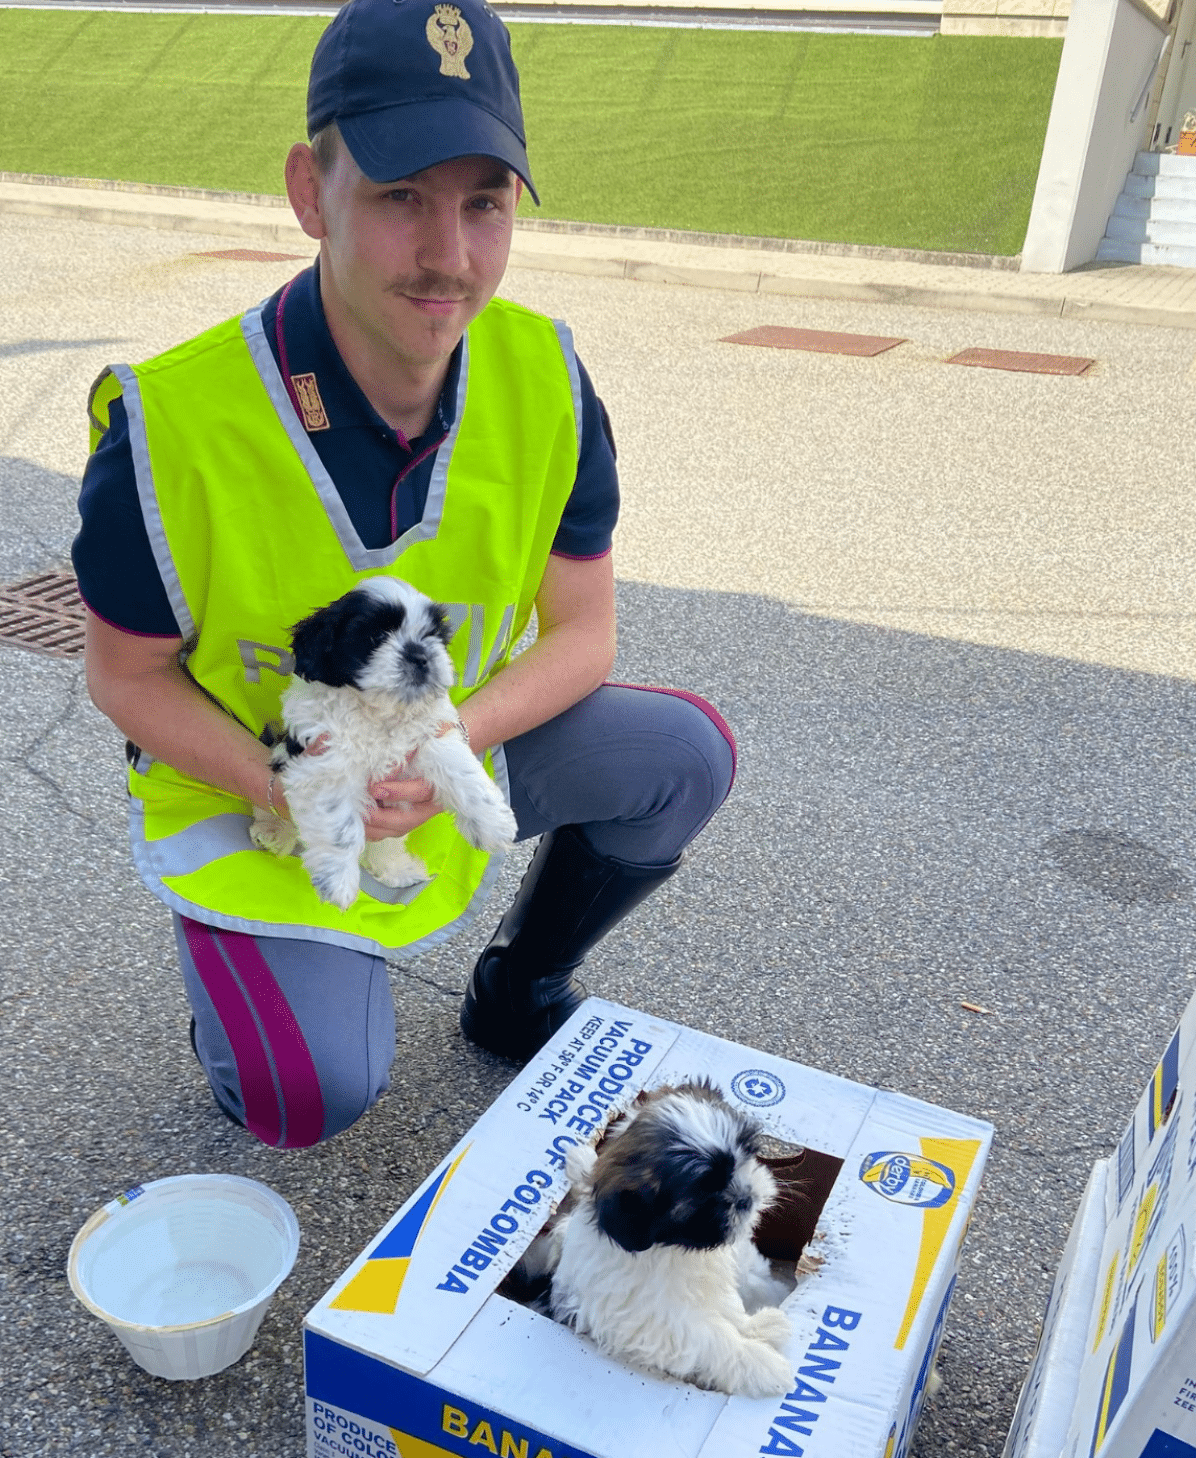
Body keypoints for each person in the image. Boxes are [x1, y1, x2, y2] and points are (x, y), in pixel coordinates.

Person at [74, 0, 735, 1149]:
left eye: (484, 201)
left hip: (438, 745)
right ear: (309, 191)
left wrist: (453, 743)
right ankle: (246, 1000)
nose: (450, 256)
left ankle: (519, 986)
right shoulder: (170, 419)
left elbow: (583, 632)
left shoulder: (545, 375)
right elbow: (124, 677)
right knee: (307, 1095)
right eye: (399, 197)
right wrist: (290, 782)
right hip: (256, 785)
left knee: (683, 755)